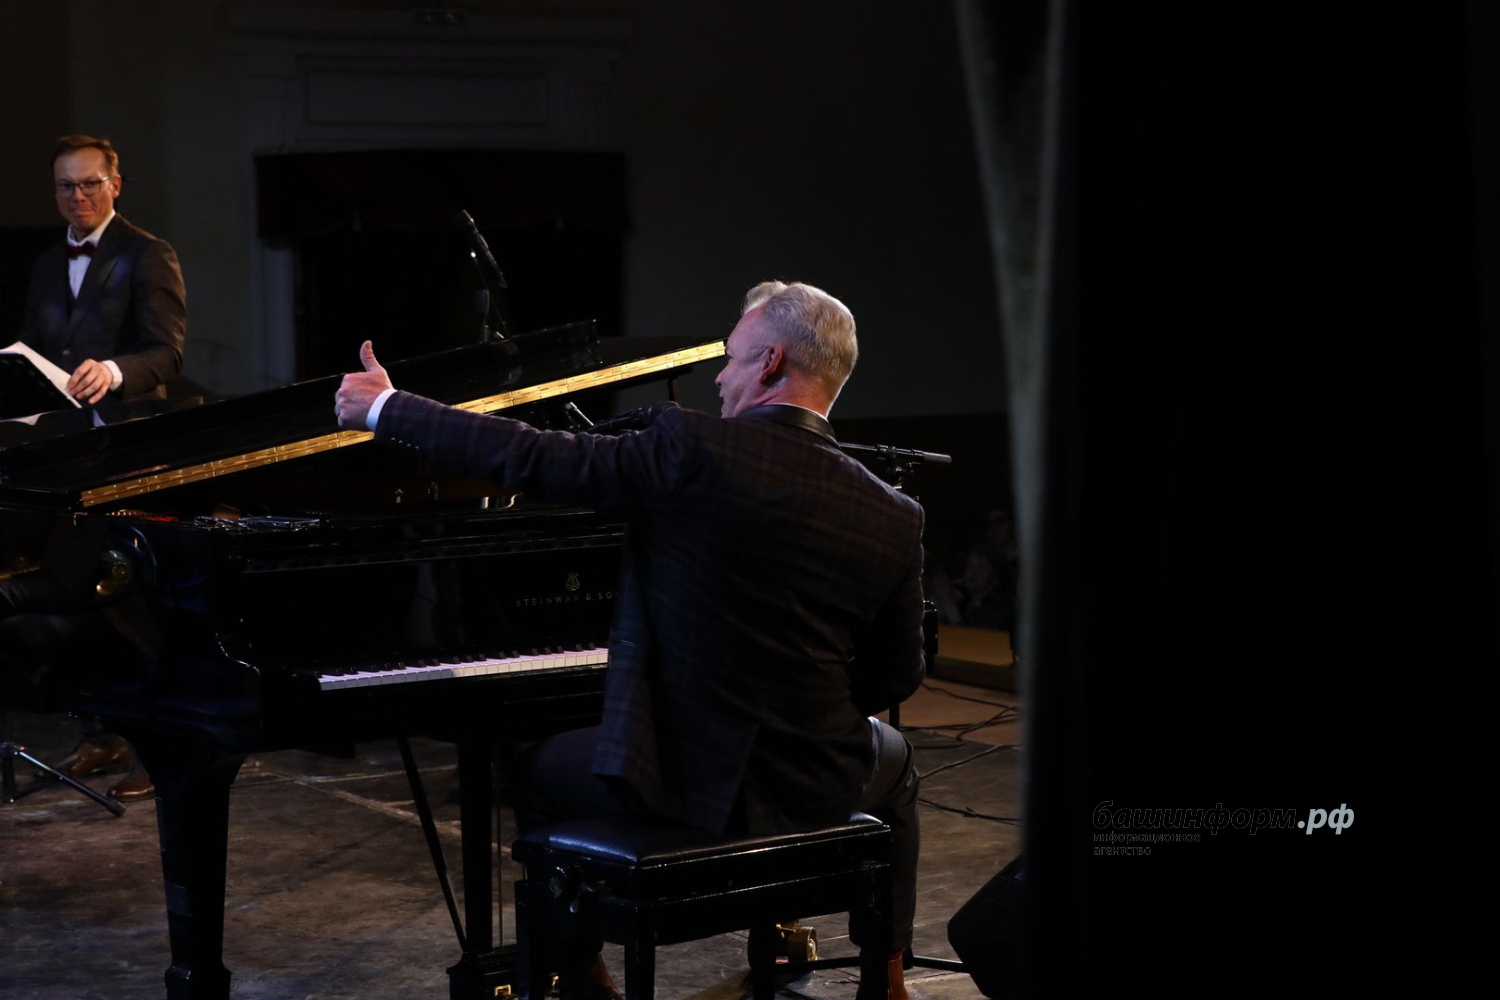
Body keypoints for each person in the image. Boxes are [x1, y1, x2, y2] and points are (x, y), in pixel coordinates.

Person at [336, 281, 925, 1000]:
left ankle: (578, 970)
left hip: (688, 783)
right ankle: (887, 975)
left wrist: (387, 407)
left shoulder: (693, 448)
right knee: (897, 763)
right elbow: (894, 675)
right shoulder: (893, 512)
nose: (720, 376)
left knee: (538, 770)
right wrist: (801, 718)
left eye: (731, 358)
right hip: (817, 773)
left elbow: (533, 456)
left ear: (771, 362)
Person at [3, 134, 188, 802]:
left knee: (127, 592)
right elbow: (34, 350)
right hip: (64, 452)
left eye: (89, 183)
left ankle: (161, 742)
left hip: (129, 452)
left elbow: (167, 354)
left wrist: (112, 370)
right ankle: (103, 730)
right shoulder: (46, 264)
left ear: (115, 184)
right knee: (72, 589)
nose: (77, 196)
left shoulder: (148, 253)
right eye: (65, 186)